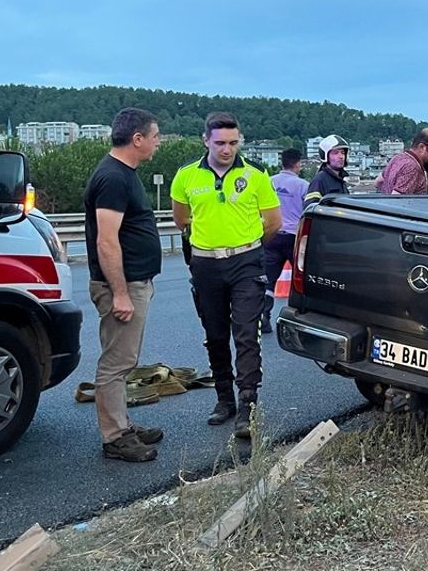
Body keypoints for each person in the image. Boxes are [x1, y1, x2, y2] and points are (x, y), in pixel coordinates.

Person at [171, 112, 281, 439]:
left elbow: (273, 221)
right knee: (216, 334)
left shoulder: (256, 174)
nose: (227, 149)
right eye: (220, 143)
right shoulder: (186, 176)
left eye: (233, 142)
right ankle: (224, 399)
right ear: (206, 140)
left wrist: (250, 246)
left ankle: (248, 403)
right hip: (206, 264)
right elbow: (181, 220)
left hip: (246, 261)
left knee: (247, 333)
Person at [83, 108, 163, 462]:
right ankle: (114, 437)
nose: (158, 143)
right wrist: (119, 293)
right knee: (116, 362)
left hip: (133, 281)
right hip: (122, 285)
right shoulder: (114, 178)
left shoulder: (124, 173)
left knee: (124, 359)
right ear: (138, 139)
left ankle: (122, 424)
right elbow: (106, 241)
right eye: (156, 136)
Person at [261, 148, 309, 335]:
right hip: (294, 237)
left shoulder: (269, 182)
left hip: (272, 234)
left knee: (268, 280)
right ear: (297, 164)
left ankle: (264, 317)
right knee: (300, 280)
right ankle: (300, 321)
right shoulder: (303, 185)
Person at [377, 127, 428, 195]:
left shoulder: (397, 158)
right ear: (422, 147)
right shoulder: (412, 168)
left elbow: (378, 182)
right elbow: (397, 199)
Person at [303, 135, 350, 210]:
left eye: (342, 152)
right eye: (335, 153)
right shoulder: (319, 180)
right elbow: (310, 208)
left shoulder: (341, 181)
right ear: (325, 156)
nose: (341, 156)